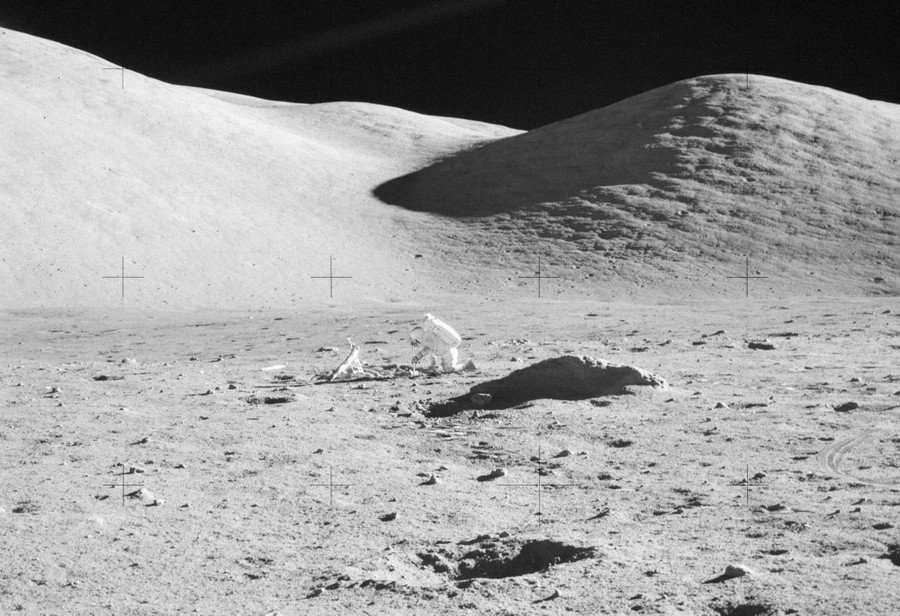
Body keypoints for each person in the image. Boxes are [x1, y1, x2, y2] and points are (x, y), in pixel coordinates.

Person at [409, 314, 476, 373]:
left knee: (448, 369)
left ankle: (466, 365)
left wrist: (416, 358)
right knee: (441, 365)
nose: (416, 343)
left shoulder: (428, 339)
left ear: (419, 338)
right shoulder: (428, 335)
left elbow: (425, 350)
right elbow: (426, 348)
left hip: (448, 351)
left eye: (416, 340)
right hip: (446, 351)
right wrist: (416, 358)